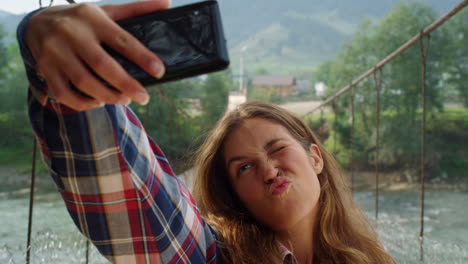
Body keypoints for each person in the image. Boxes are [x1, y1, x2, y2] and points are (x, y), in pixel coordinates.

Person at [18, 1, 395, 263]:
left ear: (315, 158)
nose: (267, 170)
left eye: (277, 148)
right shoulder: (207, 256)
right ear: (235, 197)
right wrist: (69, 78)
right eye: (243, 168)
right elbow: (134, 192)